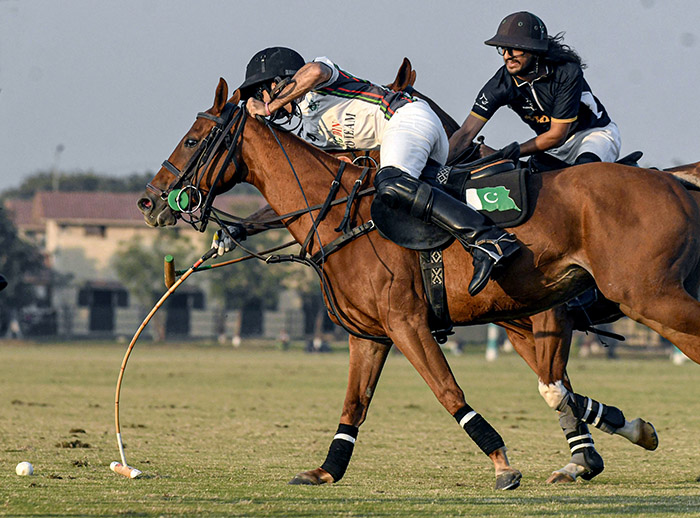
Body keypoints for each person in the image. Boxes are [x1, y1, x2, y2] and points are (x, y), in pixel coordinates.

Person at [214, 47, 519, 296]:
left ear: (277, 83)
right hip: (411, 146)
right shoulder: (308, 135)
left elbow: (316, 71)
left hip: (409, 117)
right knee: (389, 200)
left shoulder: (318, 78)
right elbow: (305, 197)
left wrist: (270, 107)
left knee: (390, 182)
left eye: (259, 92)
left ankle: (488, 239)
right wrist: (243, 227)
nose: (258, 101)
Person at [448, 12, 621, 170]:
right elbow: (465, 134)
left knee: (584, 174)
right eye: (502, 49)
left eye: (515, 48)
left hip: (591, 136)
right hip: (552, 149)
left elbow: (557, 135)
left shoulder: (567, 72)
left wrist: (503, 154)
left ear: (535, 50)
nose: (507, 55)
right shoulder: (500, 84)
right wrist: (437, 167)